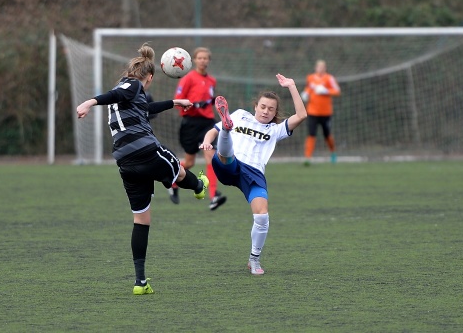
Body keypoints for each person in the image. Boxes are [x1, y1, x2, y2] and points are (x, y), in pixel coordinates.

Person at [76, 43, 210, 295]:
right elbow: (116, 95)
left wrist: (173, 102)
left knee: (141, 220)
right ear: (149, 77)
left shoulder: (126, 92)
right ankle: (200, 186)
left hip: (125, 163)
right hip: (146, 150)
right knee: (179, 172)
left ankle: (140, 282)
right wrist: (89, 102)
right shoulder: (132, 85)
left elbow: (145, 109)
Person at [200, 73, 307, 275]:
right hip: (231, 164)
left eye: (271, 109)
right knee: (226, 152)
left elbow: (301, 116)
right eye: (263, 107)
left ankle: (254, 259)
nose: (266, 111)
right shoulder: (240, 114)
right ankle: (227, 129)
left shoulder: (275, 130)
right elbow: (211, 131)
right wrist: (207, 141)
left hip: (254, 173)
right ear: (256, 106)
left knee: (262, 216)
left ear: (275, 112)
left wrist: (292, 86)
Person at [170, 47, 227, 210]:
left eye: (205, 58)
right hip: (190, 124)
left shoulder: (212, 81)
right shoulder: (188, 78)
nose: (202, 60)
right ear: (194, 60)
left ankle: (214, 196)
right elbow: (178, 101)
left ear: (209, 60)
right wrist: (194, 105)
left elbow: (208, 99)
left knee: (211, 156)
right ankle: (172, 180)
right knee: (189, 162)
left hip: (207, 123)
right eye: (199, 58)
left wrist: (210, 102)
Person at [301, 59, 340, 165]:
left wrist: (326, 90)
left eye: (323, 67)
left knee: (327, 135)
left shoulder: (329, 78)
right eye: (319, 67)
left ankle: (333, 152)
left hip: (326, 113)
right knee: (311, 134)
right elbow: (309, 88)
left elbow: (337, 91)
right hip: (312, 112)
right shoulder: (311, 78)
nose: (320, 69)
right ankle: (307, 158)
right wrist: (306, 93)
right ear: (316, 68)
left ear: (325, 68)